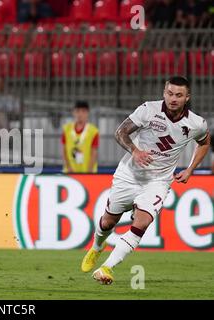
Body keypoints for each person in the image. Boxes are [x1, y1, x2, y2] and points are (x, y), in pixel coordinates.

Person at [81, 76, 211, 285]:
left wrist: (190, 169)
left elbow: (204, 142)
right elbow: (120, 132)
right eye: (170, 93)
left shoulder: (196, 123)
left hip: (157, 181)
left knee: (142, 222)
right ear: (164, 93)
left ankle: (107, 267)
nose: (173, 99)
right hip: (129, 175)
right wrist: (135, 151)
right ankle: (97, 246)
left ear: (187, 97)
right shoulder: (148, 110)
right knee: (108, 222)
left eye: (179, 95)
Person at [61, 101, 99, 173]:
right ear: (73, 112)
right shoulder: (66, 129)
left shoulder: (93, 131)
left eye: (83, 111)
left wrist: (89, 171)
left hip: (88, 171)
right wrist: (68, 167)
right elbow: (64, 150)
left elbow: (94, 153)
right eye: (77, 111)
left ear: (87, 113)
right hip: (70, 171)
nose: (80, 114)